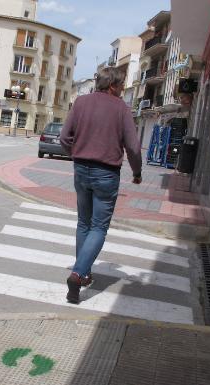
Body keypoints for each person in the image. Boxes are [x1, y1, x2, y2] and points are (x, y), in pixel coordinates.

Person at [59, 67, 143, 304]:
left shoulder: (81, 102)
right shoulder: (121, 109)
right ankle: (78, 274)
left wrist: (76, 154)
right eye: (122, 85)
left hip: (81, 170)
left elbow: (65, 138)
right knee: (98, 227)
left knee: (83, 223)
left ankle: (83, 273)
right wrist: (137, 172)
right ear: (114, 86)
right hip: (106, 173)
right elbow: (134, 148)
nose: (123, 89)